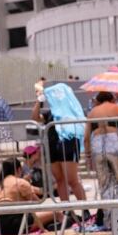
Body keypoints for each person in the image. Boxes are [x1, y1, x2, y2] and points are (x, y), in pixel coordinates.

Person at [31, 83, 88, 215]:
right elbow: (34, 118)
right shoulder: (51, 113)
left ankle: (85, 209)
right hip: (52, 146)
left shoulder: (72, 110)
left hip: (68, 144)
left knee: (72, 180)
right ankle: (67, 210)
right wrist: (39, 100)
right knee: (60, 179)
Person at [84, 92, 118, 226]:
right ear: (113, 99)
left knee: (105, 185)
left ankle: (108, 221)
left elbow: (86, 138)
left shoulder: (92, 112)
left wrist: (88, 157)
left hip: (97, 145)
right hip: (114, 141)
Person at [0, 158, 62, 234]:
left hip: (0, 227)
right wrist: (42, 229)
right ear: (19, 169)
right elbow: (38, 205)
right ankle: (65, 228)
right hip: (16, 225)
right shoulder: (20, 182)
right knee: (57, 213)